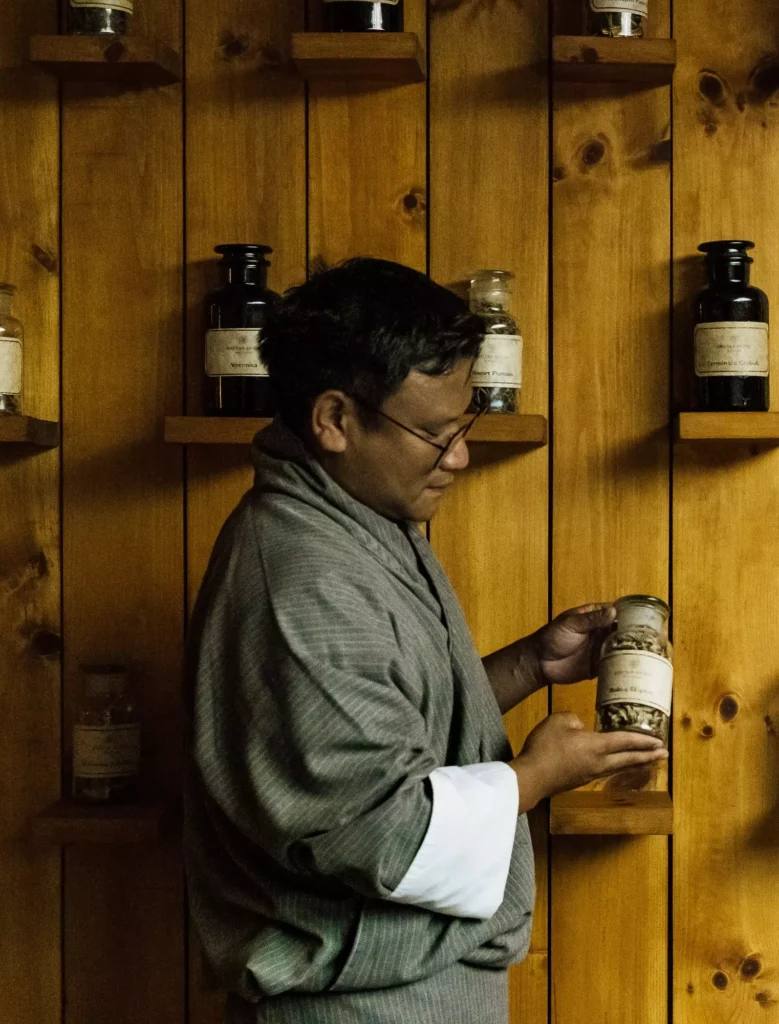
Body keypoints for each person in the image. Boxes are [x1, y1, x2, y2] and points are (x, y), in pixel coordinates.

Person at [183, 258, 668, 1024]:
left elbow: (378, 725)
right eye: (435, 433)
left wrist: (525, 665)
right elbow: (378, 832)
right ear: (335, 420)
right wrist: (533, 776)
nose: (460, 455)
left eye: (464, 424)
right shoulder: (303, 577)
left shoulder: (357, 518)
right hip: (355, 1007)